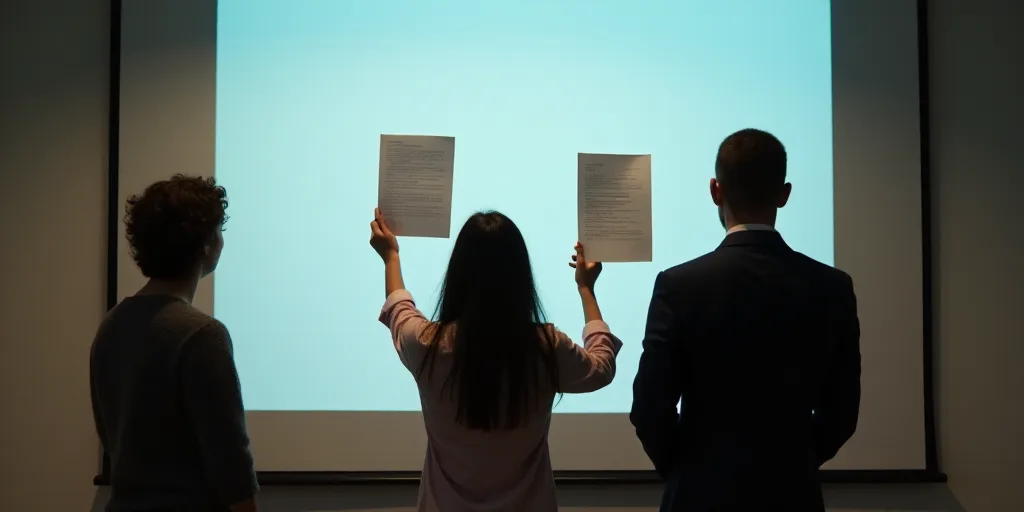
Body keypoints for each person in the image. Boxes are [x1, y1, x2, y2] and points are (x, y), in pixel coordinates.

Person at [629, 129, 861, 511]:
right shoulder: (832, 287)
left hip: (697, 497)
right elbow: (842, 415)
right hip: (793, 496)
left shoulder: (679, 285)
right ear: (784, 195)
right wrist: (791, 464)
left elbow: (650, 407)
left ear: (715, 190)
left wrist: (689, 469)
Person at [369, 208, 622, 512]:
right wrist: (586, 289)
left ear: (458, 275)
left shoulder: (426, 344)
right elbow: (602, 367)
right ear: (520, 277)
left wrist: (391, 257)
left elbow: (399, 307)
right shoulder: (546, 347)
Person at [90, 175, 259, 512]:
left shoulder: (110, 326)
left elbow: (112, 439)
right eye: (219, 231)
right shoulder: (201, 335)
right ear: (207, 244)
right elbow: (230, 462)